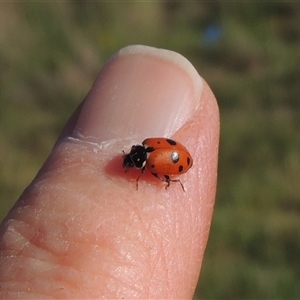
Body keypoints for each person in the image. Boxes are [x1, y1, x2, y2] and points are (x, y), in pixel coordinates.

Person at [0, 45, 219, 299]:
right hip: (174, 157)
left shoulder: (148, 159)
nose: (129, 162)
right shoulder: (148, 147)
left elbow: (153, 168)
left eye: (130, 161)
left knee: (160, 176)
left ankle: (172, 181)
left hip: (178, 159)